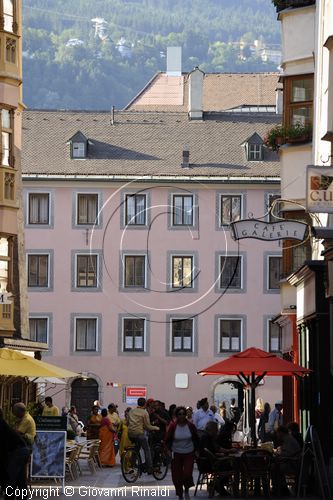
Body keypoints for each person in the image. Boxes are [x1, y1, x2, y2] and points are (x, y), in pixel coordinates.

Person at [165, 406, 199, 500]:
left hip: (189, 452)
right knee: (177, 476)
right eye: (179, 414)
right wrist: (167, 450)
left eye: (183, 414)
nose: (182, 416)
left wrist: (197, 450)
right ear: (176, 415)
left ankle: (187, 490)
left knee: (187, 473)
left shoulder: (190, 426)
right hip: (176, 453)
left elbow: (196, 438)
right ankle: (180, 494)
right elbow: (167, 439)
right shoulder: (173, 426)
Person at [0, 408, 31, 498]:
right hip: (22, 450)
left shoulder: (1, 425)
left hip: (17, 452)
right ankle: (22, 496)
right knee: (20, 478)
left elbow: (2, 446)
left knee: (10, 477)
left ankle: (10, 497)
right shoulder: (3, 423)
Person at [127, 397, 159, 474]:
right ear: (145, 404)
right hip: (139, 434)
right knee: (146, 449)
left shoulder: (131, 411)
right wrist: (156, 428)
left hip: (130, 433)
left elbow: (128, 422)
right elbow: (148, 426)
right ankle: (150, 467)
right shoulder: (144, 413)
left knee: (136, 448)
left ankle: (132, 463)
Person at [271, 425, 302, 496]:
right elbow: (287, 451)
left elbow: (288, 454)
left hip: (292, 464)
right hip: (293, 462)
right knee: (274, 466)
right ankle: (281, 488)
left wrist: (278, 453)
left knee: (273, 467)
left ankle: (278, 490)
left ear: (281, 433)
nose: (277, 435)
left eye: (277, 433)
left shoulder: (288, 439)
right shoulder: (288, 438)